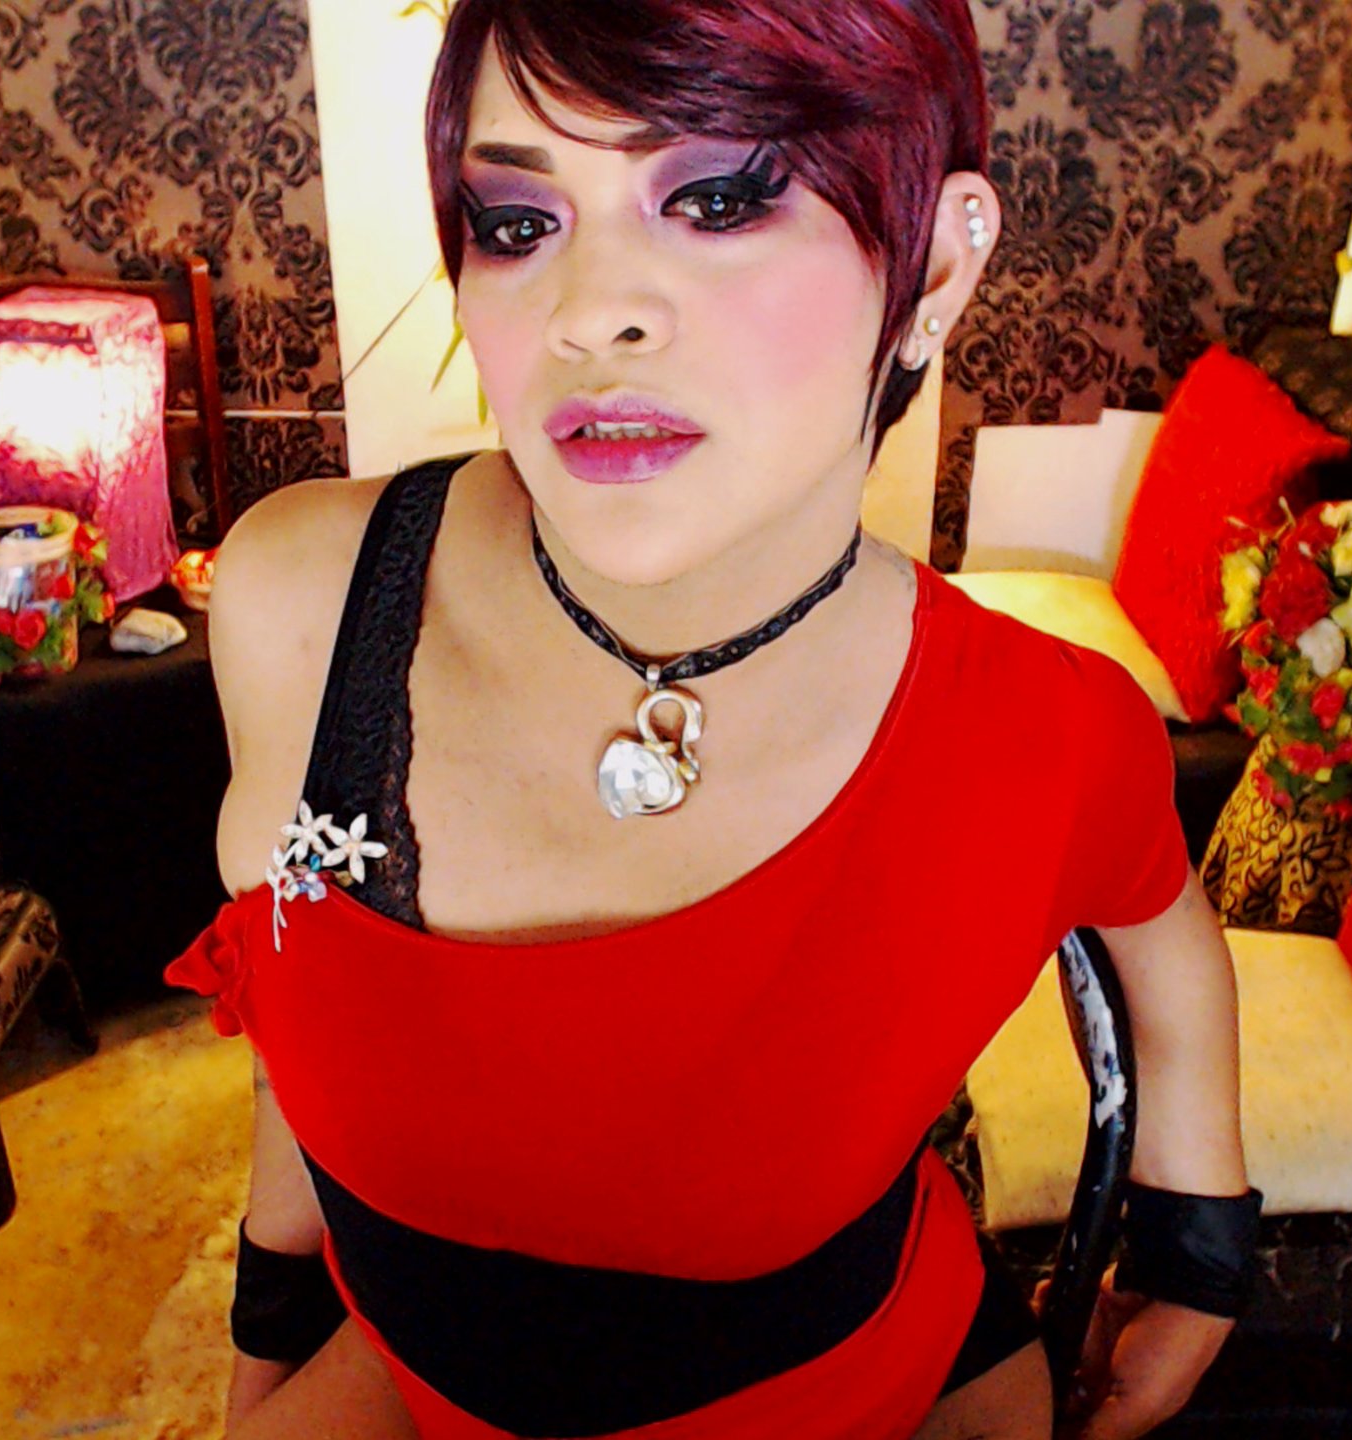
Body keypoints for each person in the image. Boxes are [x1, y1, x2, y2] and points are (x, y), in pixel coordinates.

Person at [166, 1, 1253, 1435]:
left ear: (935, 263)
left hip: (859, 1391)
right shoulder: (302, 600)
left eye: (722, 199)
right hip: (410, 1381)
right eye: (517, 223)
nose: (588, 312)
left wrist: (1195, 1247)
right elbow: (292, 1008)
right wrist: (273, 1324)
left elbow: (1166, 946)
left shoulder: (1042, 733)